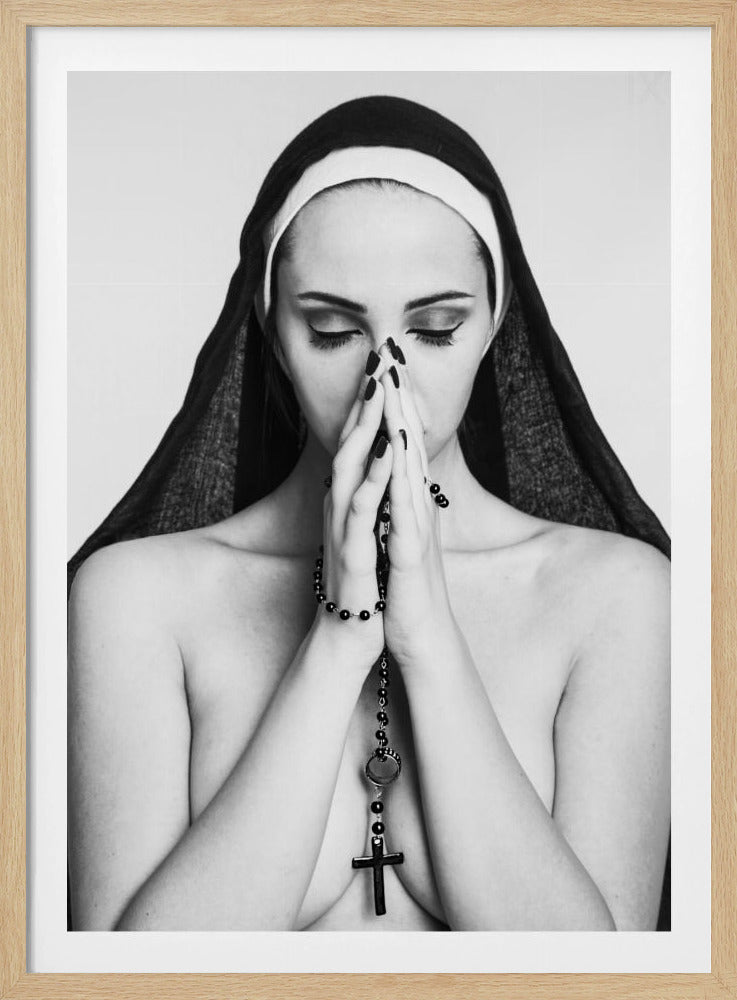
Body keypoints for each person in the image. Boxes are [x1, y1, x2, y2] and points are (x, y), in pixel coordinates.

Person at [67, 95, 670, 932]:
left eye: (433, 328)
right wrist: (340, 637)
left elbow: (601, 982)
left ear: (492, 324)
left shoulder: (617, 596)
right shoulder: (131, 599)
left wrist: (425, 638)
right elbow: (126, 985)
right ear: (271, 331)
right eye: (331, 329)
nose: (384, 381)